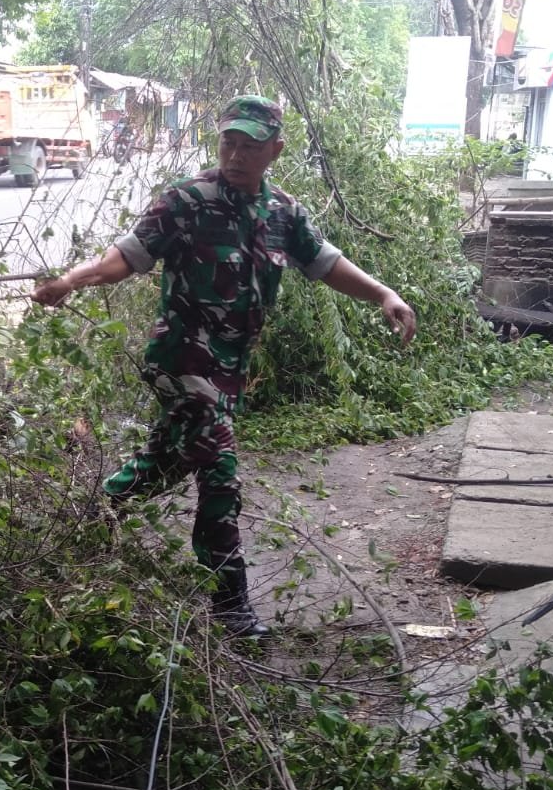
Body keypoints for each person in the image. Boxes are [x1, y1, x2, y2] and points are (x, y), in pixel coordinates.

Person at [30, 95, 417, 637]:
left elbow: (324, 262)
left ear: (275, 150)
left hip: (228, 368)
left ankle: (96, 511)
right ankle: (230, 602)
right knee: (219, 467)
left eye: (250, 146)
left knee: (171, 457)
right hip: (179, 357)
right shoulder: (187, 201)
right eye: (228, 142)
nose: (236, 155)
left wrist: (383, 294)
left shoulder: (283, 212)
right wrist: (72, 279)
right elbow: (127, 256)